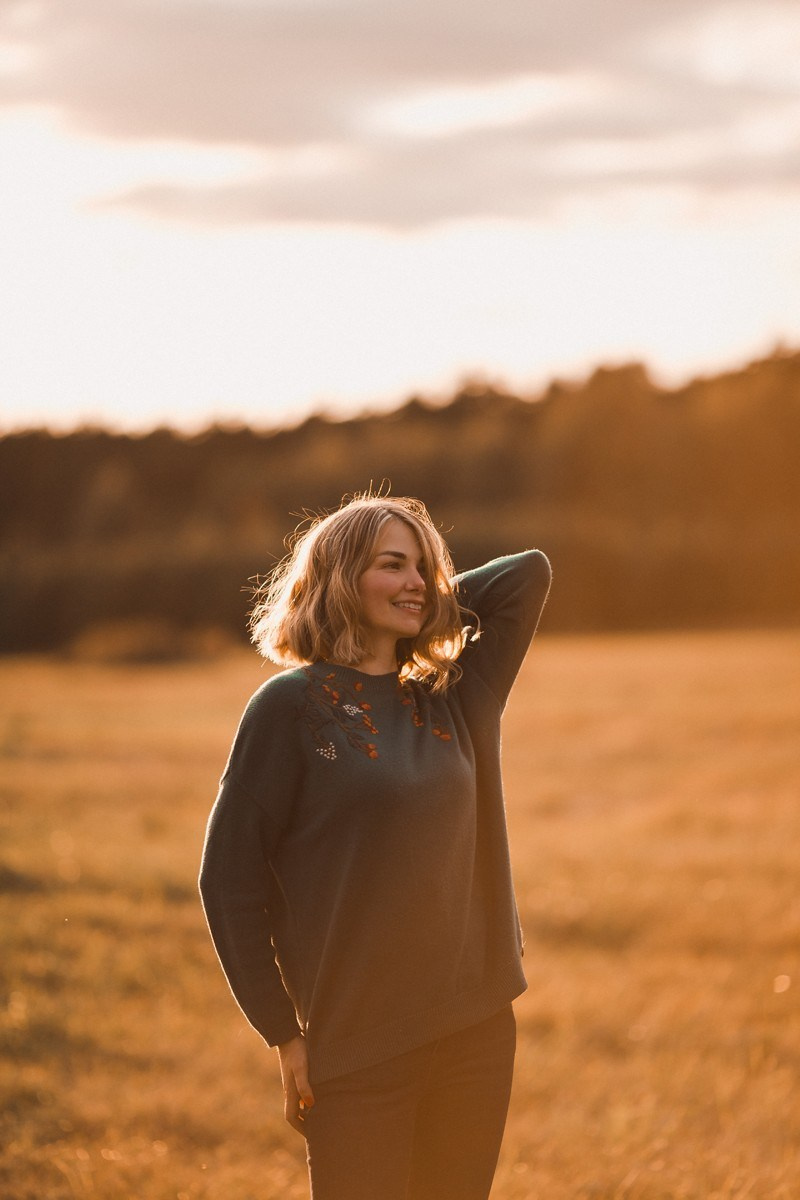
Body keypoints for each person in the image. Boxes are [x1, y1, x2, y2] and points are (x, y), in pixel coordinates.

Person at [198, 493, 551, 1200]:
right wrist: (282, 1033)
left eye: (425, 567)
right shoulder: (288, 707)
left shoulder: (455, 695)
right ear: (339, 578)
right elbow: (228, 880)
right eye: (393, 565)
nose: (417, 581)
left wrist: (420, 600)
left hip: (476, 1031)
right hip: (357, 1047)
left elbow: (526, 575)